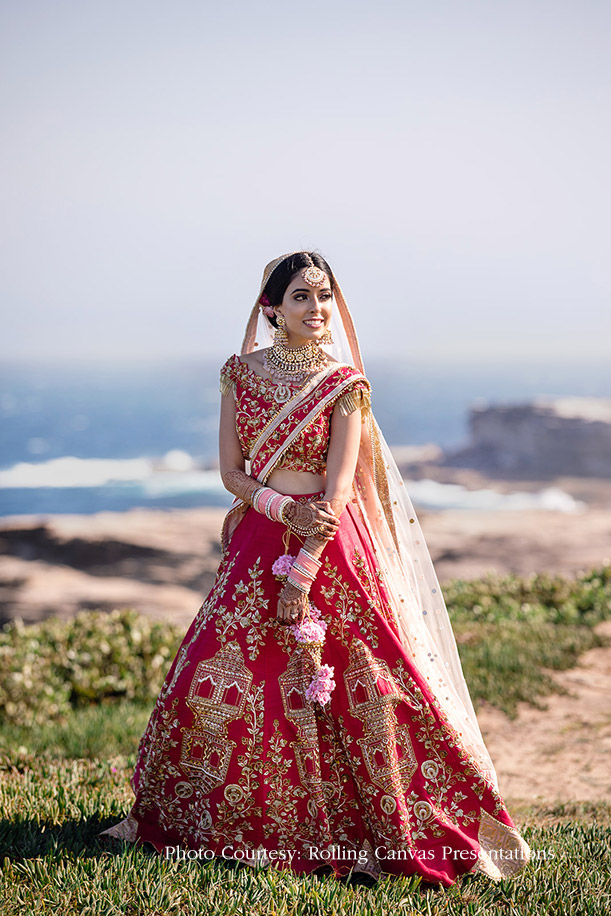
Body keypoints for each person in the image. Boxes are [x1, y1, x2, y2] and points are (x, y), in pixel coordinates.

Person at [99, 251, 531, 887]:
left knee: (370, 681)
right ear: (272, 307)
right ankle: (224, 824)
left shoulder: (343, 383)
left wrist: (301, 570)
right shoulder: (237, 374)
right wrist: (276, 508)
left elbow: (337, 492)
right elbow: (232, 473)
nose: (317, 308)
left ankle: (388, 823)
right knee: (217, 673)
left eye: (324, 295)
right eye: (301, 296)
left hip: (329, 546)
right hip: (259, 535)